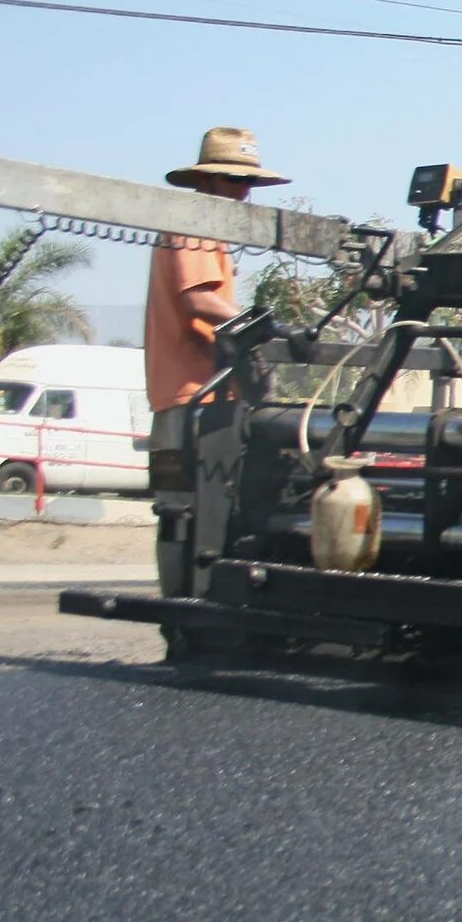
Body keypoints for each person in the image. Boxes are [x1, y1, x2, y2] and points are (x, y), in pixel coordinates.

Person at [146, 126, 282, 600]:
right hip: (195, 396)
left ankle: (188, 614)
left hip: (189, 392)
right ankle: (187, 615)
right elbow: (200, 301)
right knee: (187, 511)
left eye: (247, 183)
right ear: (206, 182)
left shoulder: (196, 226)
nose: (243, 192)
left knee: (184, 511)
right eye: (233, 181)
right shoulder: (196, 221)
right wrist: (267, 328)